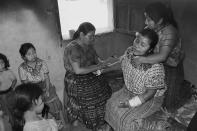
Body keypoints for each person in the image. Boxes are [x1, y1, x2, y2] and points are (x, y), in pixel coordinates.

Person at [105, 28, 168, 131]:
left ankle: (148, 125)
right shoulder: (130, 51)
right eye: (137, 40)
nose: (137, 45)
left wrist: (130, 103)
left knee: (125, 120)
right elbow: (121, 63)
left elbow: (149, 94)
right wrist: (103, 69)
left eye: (143, 45)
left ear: (150, 49)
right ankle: (109, 127)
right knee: (110, 104)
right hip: (129, 90)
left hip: (149, 99)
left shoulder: (155, 68)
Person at [134, 2, 185, 112]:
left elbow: (162, 56)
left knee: (168, 102)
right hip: (156, 61)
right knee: (152, 90)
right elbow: (144, 39)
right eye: (145, 18)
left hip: (171, 66)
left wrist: (142, 59)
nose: (145, 22)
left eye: (148, 19)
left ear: (160, 20)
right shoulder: (152, 27)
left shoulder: (170, 32)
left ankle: (184, 92)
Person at [63, 22, 112, 130]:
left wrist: (105, 63)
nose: (93, 39)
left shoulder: (89, 45)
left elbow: (96, 60)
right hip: (75, 78)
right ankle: (88, 122)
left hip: (89, 73)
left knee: (105, 90)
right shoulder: (73, 48)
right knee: (89, 95)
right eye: (90, 36)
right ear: (81, 35)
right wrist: (98, 67)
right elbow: (78, 71)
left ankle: (101, 121)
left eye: (93, 36)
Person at [18, 43, 66, 127]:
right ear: (23, 57)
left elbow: (47, 78)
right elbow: (26, 84)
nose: (33, 55)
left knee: (55, 105)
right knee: (41, 108)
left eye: (34, 52)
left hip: (46, 86)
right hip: (33, 90)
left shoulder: (42, 63)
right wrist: (35, 94)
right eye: (29, 54)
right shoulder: (22, 68)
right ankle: (47, 125)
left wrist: (47, 89)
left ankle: (61, 124)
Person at [0, 53, 17, 126]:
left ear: (5, 62)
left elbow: (14, 80)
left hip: (9, 92)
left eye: (2, 62)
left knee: (13, 107)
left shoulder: (8, 72)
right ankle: (12, 124)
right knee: (6, 110)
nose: (0, 64)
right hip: (1, 95)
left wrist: (12, 87)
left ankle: (17, 123)